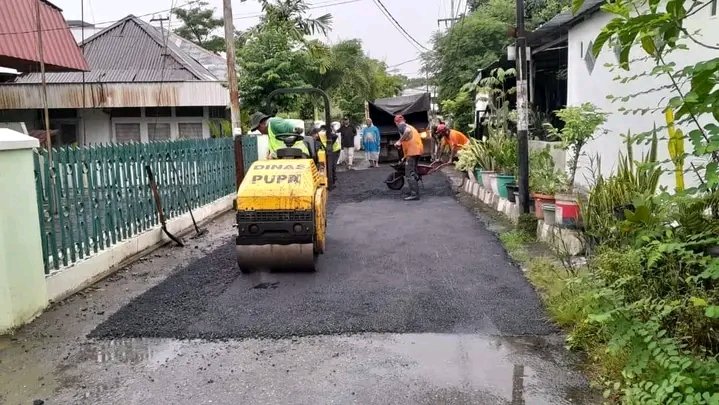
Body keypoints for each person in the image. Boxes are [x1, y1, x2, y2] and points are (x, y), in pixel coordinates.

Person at [393, 115, 423, 201]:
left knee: (409, 173)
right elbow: (409, 139)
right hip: (417, 151)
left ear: (396, 122)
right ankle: (414, 191)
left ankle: (414, 194)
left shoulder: (401, 126)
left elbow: (407, 131)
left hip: (413, 152)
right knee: (413, 172)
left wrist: (399, 141)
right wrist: (404, 157)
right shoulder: (409, 126)